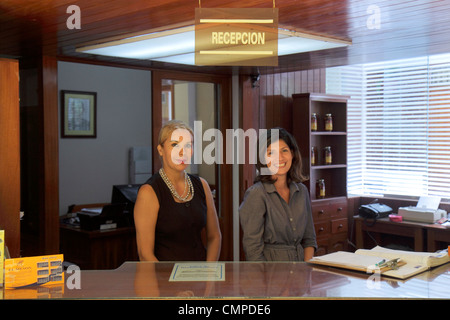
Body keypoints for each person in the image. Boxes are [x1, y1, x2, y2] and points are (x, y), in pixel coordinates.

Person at [134, 120, 221, 261]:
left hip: (199, 276)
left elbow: (214, 236)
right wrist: (168, 282)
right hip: (165, 278)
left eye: (188, 145)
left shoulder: (202, 185)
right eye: (174, 145)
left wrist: (209, 276)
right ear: (160, 150)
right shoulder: (148, 192)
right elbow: (145, 254)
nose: (182, 152)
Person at [239, 127, 317, 261]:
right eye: (271, 153)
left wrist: (305, 271)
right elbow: (253, 250)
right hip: (270, 275)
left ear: (292, 154)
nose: (279, 158)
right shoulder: (256, 194)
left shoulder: (302, 191)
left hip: (301, 273)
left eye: (284, 151)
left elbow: (309, 240)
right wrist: (267, 281)